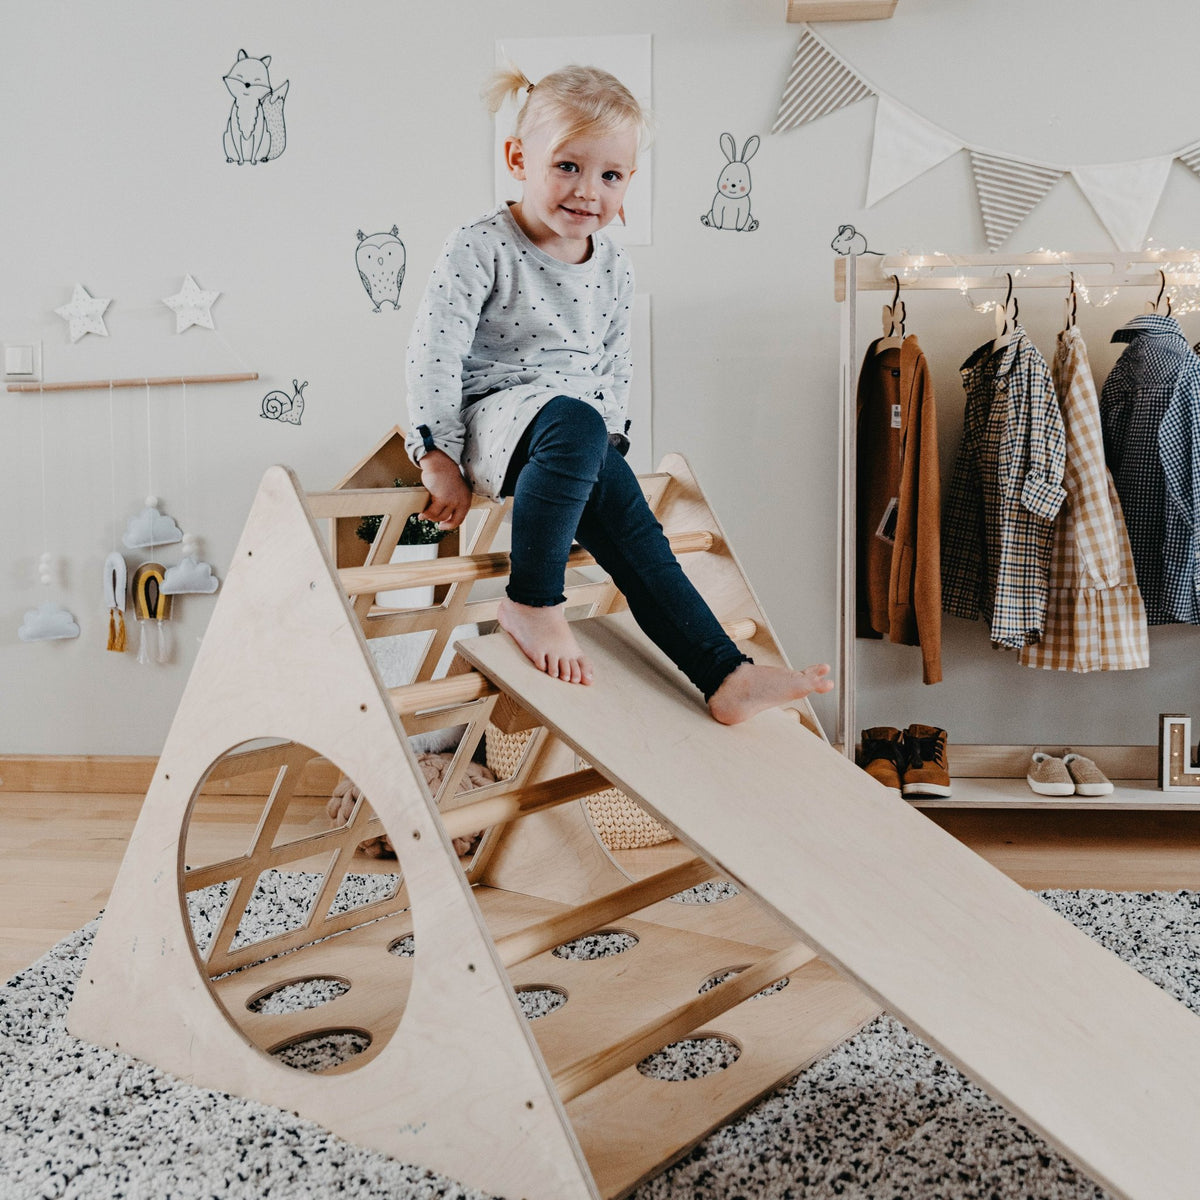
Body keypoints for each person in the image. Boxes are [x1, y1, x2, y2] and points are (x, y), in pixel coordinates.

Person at [405, 62, 833, 725]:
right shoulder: (481, 246)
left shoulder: (613, 267)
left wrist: (603, 458)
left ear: (628, 183)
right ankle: (532, 600)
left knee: (642, 541)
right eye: (568, 167)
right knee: (575, 422)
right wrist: (438, 455)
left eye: (610, 175)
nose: (587, 191)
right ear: (519, 157)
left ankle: (723, 673)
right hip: (494, 421)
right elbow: (434, 350)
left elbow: (613, 363)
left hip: (571, 438)